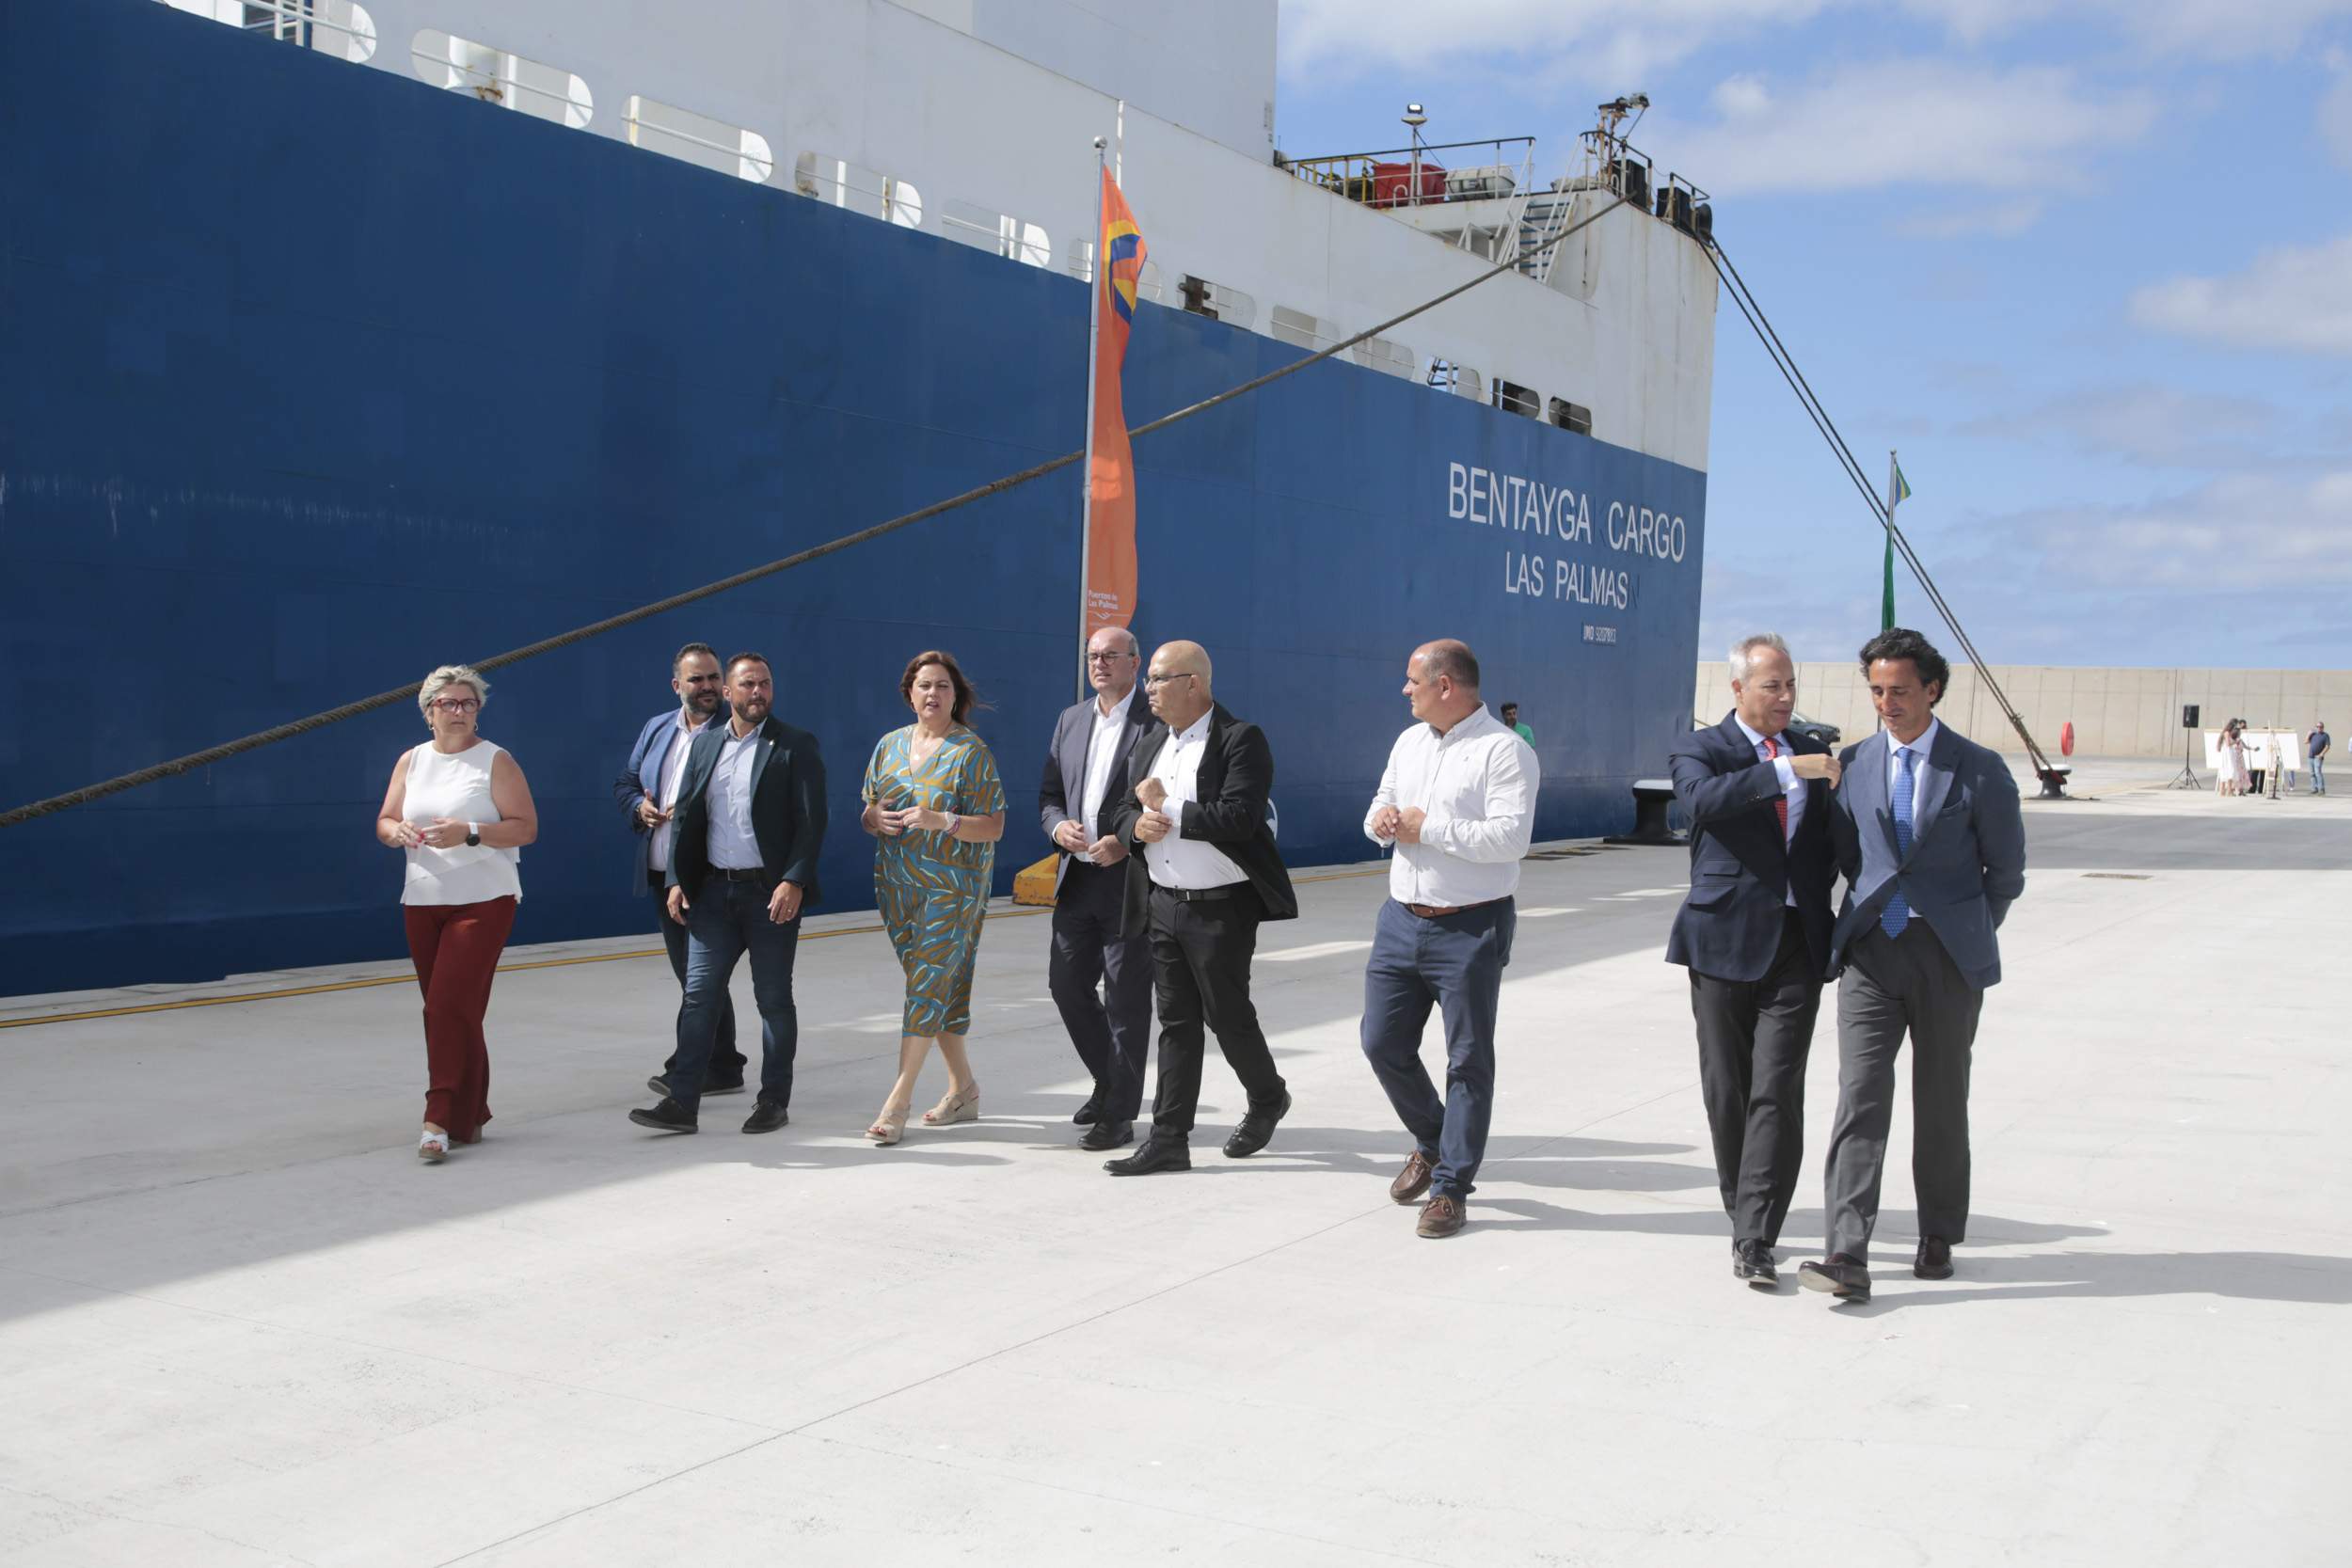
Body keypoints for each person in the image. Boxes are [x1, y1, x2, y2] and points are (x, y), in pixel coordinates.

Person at [1800, 628, 2026, 1304]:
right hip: (1871, 953)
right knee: (1859, 1096)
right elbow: (1847, 852)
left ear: (1933, 689)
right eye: (1876, 690)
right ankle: (1846, 1248)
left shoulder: (1980, 769)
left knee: (1940, 1099)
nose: (1886, 702)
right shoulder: (1855, 762)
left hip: (1947, 956)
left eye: (1899, 690)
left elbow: (2005, 872)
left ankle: (1937, 1232)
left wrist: (1961, 929)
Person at [1665, 633, 1839, 1287]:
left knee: (1777, 1087)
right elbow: (1702, 802)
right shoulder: (1701, 747)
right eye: (1772, 685)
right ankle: (1743, 1206)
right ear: (1737, 689)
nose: (1786, 697)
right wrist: (1788, 771)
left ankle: (1756, 1233)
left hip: (1797, 942)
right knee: (1727, 1088)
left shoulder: (1816, 748)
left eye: (1791, 684)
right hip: (1720, 941)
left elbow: (1832, 841)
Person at [1359, 640, 1537, 1239]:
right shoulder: (1409, 742)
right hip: (1400, 919)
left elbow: (1511, 840)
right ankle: (1434, 1141)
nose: (1404, 690)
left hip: (1471, 925)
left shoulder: (1505, 752)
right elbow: (1381, 804)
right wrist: (1381, 822)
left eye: (1413, 681)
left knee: (1467, 1060)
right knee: (1381, 1043)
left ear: (1445, 686)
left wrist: (1427, 828)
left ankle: (1451, 1186)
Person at [1100, 640, 1297, 1176]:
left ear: (1195, 683)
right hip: (1162, 902)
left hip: (1222, 909)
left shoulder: (1240, 740)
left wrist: (1167, 807)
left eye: (1159, 679)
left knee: (1226, 1015)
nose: (1149, 689)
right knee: (1176, 1022)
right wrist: (1133, 828)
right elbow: (1118, 809)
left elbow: (1240, 817)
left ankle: (1266, 1096)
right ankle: (1169, 1139)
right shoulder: (1149, 744)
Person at [628, 654, 826, 1136]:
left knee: (773, 1000)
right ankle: (682, 1103)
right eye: (748, 685)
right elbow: (689, 821)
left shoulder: (794, 745)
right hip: (714, 893)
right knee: (699, 997)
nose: (758, 692)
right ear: (731, 694)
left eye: (765, 684)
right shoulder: (707, 745)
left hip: (770, 895)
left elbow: (811, 821)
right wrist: (677, 879)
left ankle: (772, 1100)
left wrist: (794, 880)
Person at [373, 664, 538, 1164]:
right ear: (429, 712)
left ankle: (438, 1117)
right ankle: (473, 1114)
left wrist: (470, 831)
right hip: (423, 899)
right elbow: (384, 820)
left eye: (469, 703)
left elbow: (525, 828)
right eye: (449, 703)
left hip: (483, 899)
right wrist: (395, 833)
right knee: (456, 1012)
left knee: (443, 1008)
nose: (460, 711)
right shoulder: (412, 762)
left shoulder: (496, 761)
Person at [859, 651, 1007, 1145]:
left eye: (942, 686)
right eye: (924, 685)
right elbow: (869, 809)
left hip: (954, 890)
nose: (932, 694)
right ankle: (964, 1088)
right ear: (909, 693)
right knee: (937, 989)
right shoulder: (888, 746)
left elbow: (995, 826)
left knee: (924, 988)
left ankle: (897, 1101)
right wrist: (874, 819)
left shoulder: (971, 753)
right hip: (897, 887)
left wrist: (942, 820)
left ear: (955, 695)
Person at [1040, 626, 1158, 1151]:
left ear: (1136, 662)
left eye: (1111, 655)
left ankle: (1120, 1114)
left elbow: (1166, 803)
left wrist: (1124, 841)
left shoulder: (1156, 723)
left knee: (1127, 999)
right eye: (1093, 656)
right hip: (1078, 878)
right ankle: (1110, 1080)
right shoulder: (1071, 719)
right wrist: (1057, 827)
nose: (1100, 663)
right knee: (1066, 986)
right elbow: (1048, 795)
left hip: (1132, 882)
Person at [614, 641, 743, 1098]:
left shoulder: (733, 732)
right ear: (677, 686)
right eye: (697, 679)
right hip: (659, 871)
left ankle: (690, 1067)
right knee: (691, 974)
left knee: (699, 977)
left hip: (704, 873)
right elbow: (627, 782)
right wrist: (639, 808)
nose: (708, 686)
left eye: (713, 677)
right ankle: (724, 1063)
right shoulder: (656, 729)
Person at [2218, 720, 2249, 798]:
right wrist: (2236, 741)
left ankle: (2223, 791)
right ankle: (2228, 791)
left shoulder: (2225, 733)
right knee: (2230, 770)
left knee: (2227, 771)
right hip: (2228, 753)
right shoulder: (2227, 733)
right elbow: (2228, 744)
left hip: (2228, 753)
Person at [2309, 720, 2330, 796]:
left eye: (2321, 727)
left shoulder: (2325, 735)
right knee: (2312, 774)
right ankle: (2314, 789)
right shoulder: (2313, 735)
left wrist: (2321, 754)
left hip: (2318, 757)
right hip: (2310, 757)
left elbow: (2327, 746)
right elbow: (2306, 742)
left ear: (2323, 728)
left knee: (2318, 773)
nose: (2319, 728)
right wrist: (2308, 734)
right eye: (2318, 727)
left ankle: (2321, 789)